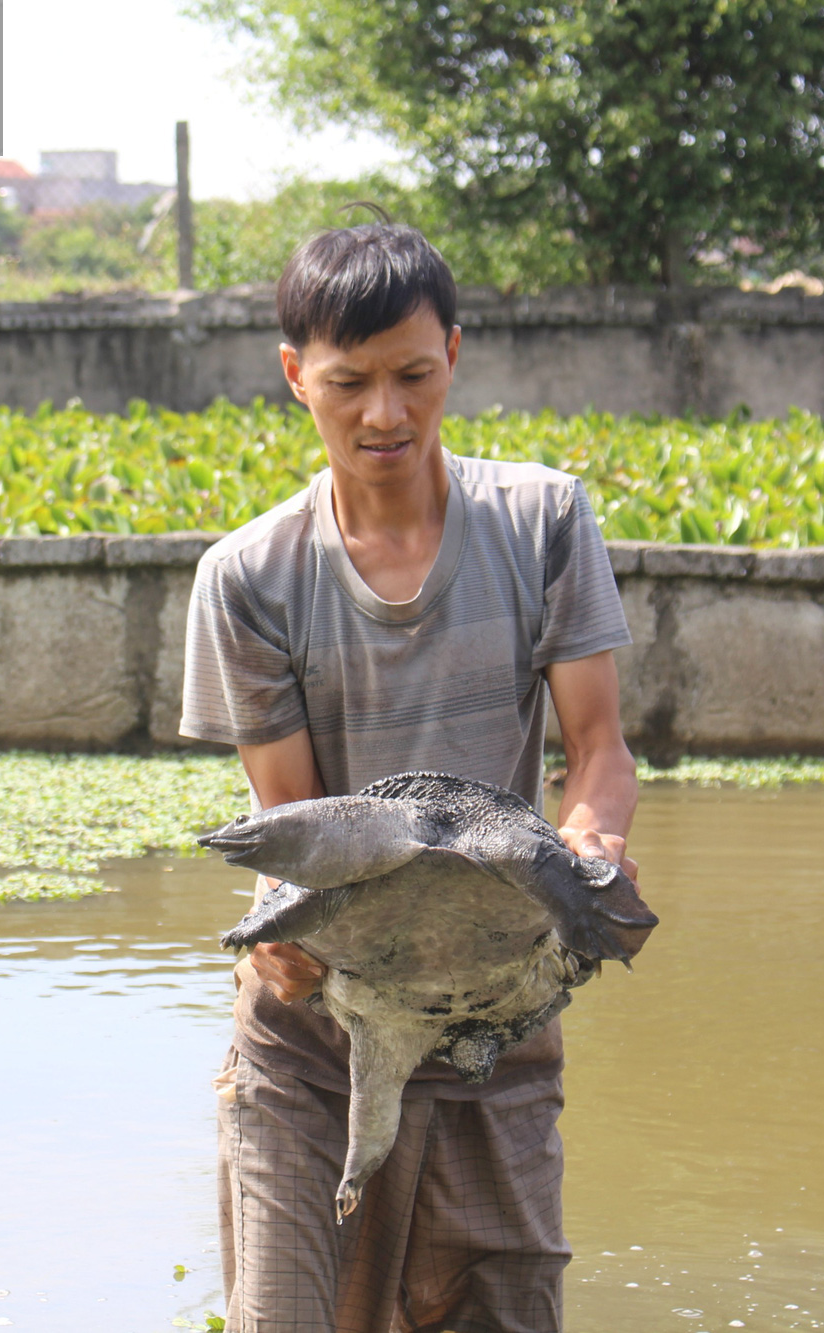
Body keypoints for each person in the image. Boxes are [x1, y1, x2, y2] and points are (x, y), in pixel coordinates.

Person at [179, 220, 640, 1333]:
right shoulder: (249, 578)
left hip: (492, 1013)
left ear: (454, 356)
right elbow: (290, 823)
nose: (383, 414)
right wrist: (287, 936)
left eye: (411, 376)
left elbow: (597, 753)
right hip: (313, 1037)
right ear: (295, 376)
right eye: (348, 382)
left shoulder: (539, 522)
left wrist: (587, 850)